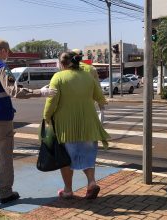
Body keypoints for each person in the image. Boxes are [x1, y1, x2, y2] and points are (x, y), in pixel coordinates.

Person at [0, 39, 57, 206]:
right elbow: (13, 90)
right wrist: (41, 93)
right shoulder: (1, 67)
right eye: (8, 53)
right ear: (3, 51)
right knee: (5, 157)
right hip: (1, 119)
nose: (7, 56)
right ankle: (5, 193)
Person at [43, 51, 109, 200]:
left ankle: (67, 190)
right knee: (87, 156)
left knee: (65, 158)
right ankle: (91, 183)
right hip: (89, 124)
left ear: (62, 63)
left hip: (67, 126)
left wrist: (46, 117)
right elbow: (100, 97)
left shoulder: (58, 77)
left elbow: (51, 101)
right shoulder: (87, 76)